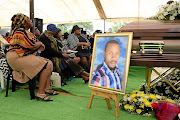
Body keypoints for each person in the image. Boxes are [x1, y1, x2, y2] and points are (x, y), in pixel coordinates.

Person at [6, 13, 58, 101]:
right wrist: (40, 44)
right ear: (24, 23)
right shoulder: (20, 31)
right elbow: (30, 45)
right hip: (16, 58)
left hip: (20, 56)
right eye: (29, 20)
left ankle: (47, 88)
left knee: (49, 63)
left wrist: (38, 45)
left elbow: (30, 45)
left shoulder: (24, 32)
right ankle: (41, 93)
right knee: (46, 64)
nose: (31, 21)